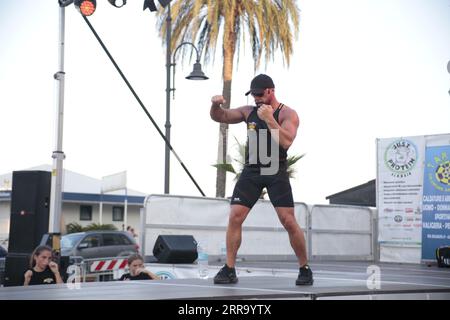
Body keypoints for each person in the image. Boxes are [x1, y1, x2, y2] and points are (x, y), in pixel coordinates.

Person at [210, 74, 313, 286]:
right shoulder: (249, 112)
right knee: (235, 216)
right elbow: (220, 116)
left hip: (276, 171)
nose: (256, 99)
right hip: (252, 171)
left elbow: (286, 141)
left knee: (288, 221)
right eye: (253, 95)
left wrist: (269, 119)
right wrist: (215, 105)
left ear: (270, 91)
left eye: (259, 95)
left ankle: (304, 268)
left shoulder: (288, 113)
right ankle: (229, 269)